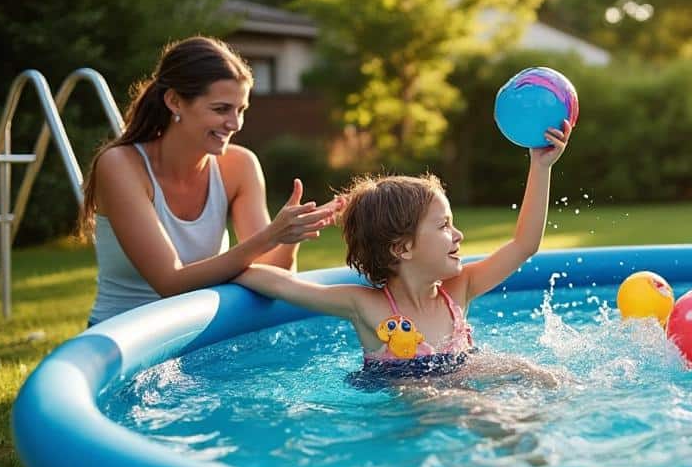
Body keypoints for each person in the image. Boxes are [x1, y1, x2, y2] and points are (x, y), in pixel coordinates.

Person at [235, 121, 572, 378]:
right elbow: (277, 283)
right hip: (410, 416)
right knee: (463, 406)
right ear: (402, 248)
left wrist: (540, 167)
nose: (459, 235)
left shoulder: (459, 289)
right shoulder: (364, 305)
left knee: (540, 376)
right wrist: (266, 242)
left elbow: (524, 245)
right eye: (443, 226)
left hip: (460, 395)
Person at [78, 36, 336, 325]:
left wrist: (292, 234)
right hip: (126, 339)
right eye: (221, 109)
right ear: (175, 101)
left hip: (200, 333)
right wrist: (271, 236)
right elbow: (170, 282)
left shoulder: (240, 165)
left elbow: (271, 272)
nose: (235, 124)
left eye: (241, 110)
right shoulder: (120, 165)